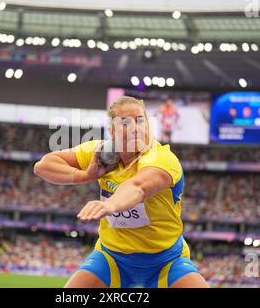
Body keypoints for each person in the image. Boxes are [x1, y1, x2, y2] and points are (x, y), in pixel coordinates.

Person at [34, 96, 209, 288]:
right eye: (125, 122)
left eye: (140, 120)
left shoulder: (162, 158)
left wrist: (109, 205)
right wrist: (85, 175)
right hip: (112, 258)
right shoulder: (100, 153)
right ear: (112, 131)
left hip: (166, 260)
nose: (135, 128)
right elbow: (43, 166)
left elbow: (138, 187)